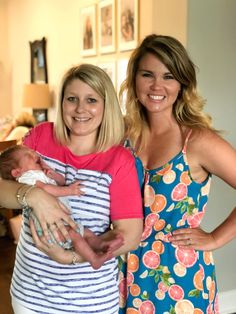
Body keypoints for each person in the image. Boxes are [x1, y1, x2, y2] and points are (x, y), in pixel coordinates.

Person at [0, 63, 143, 314]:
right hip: (30, 295)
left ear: (105, 105)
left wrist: (70, 257)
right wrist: (33, 196)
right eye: (72, 99)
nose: (80, 109)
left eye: (91, 100)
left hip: (90, 302)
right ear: (62, 102)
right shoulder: (41, 137)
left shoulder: (119, 160)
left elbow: (130, 235)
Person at [118, 34, 236, 313]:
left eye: (168, 76)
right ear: (134, 80)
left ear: (182, 83)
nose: (157, 85)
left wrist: (216, 238)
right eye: (147, 74)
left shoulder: (197, 142)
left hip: (179, 281)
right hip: (120, 274)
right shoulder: (120, 137)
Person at [0, 144, 125, 270]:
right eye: (28, 154)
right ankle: (93, 259)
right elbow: (46, 189)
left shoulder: (40, 175)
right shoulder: (27, 178)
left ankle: (102, 244)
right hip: (50, 228)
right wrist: (70, 191)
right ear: (17, 172)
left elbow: (60, 184)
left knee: (85, 233)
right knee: (75, 235)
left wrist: (53, 175)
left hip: (61, 222)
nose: (35, 154)